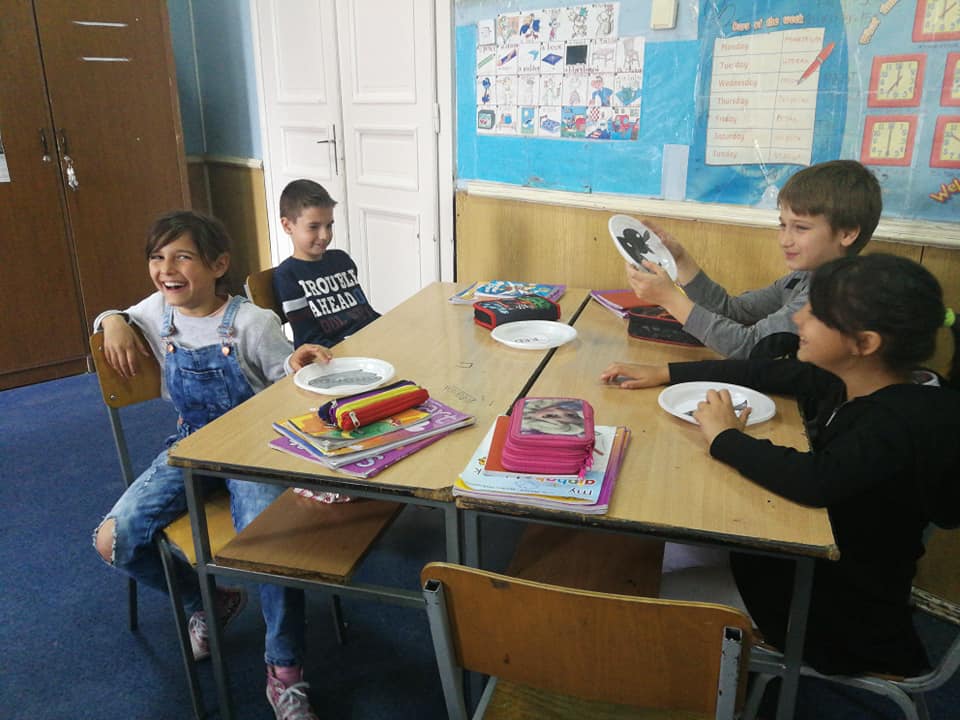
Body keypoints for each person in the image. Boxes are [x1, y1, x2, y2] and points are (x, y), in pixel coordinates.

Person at [600, 253, 960, 677]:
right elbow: (766, 373)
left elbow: (815, 480)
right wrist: (667, 372)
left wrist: (725, 437)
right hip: (807, 565)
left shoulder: (896, 424)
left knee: (627, 587)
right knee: (655, 546)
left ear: (864, 344)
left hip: (830, 613)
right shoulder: (863, 378)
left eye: (816, 313)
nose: (798, 318)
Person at [92, 210, 332, 720]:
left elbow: (286, 382)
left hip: (254, 452)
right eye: (157, 257)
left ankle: (285, 671)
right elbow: (116, 315)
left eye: (182, 257)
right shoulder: (157, 309)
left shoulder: (253, 322)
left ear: (218, 264)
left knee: (269, 548)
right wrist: (110, 320)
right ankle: (207, 600)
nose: (166, 269)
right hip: (191, 446)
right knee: (114, 541)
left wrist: (295, 365)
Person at [624, 160, 882, 359]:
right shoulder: (801, 278)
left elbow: (750, 346)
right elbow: (732, 311)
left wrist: (670, 299)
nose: (785, 240)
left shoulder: (835, 294)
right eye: (783, 225)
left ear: (847, 234)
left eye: (801, 228)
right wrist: (680, 259)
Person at [273, 179, 380, 348]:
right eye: (313, 227)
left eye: (329, 226)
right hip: (330, 356)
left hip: (366, 345)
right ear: (287, 226)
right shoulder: (288, 275)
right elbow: (310, 340)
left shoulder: (342, 260)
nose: (324, 235)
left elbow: (367, 315)